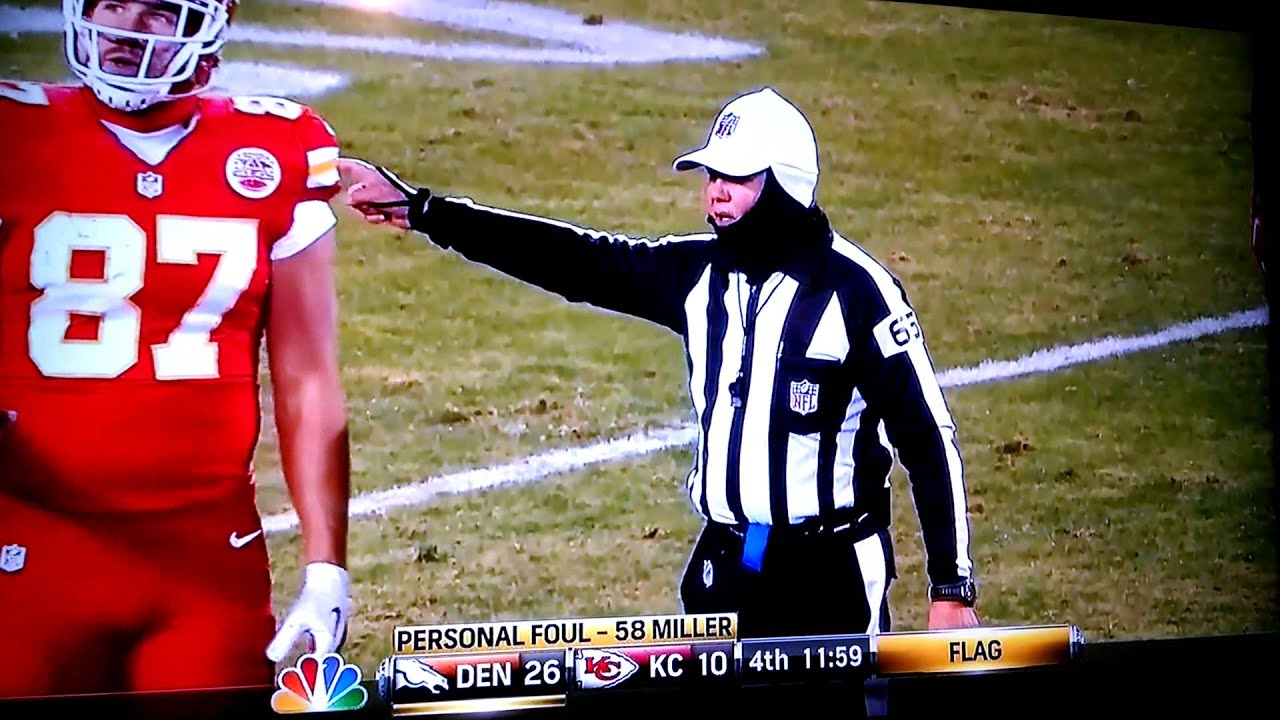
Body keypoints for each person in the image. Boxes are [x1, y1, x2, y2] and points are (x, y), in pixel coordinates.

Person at [340, 85, 981, 638]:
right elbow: (571, 259)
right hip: (726, 562)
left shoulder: (859, 293)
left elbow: (927, 440)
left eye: (736, 179)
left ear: (785, 185)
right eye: (711, 177)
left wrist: (951, 588)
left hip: (828, 573)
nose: (715, 196)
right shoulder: (698, 275)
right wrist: (423, 211)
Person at [0, 0, 354, 699]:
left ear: (207, 31)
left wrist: (326, 567)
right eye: (112, 3)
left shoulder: (277, 150)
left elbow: (308, 378)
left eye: (159, 12)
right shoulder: (14, 129)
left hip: (206, 562)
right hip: (30, 544)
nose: (127, 27)